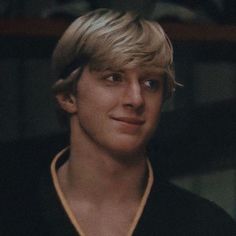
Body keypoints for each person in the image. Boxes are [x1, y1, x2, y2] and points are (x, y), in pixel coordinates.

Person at [9, 8, 235, 236]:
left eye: (150, 84)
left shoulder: (208, 226)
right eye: (113, 78)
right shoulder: (13, 216)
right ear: (68, 96)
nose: (136, 99)